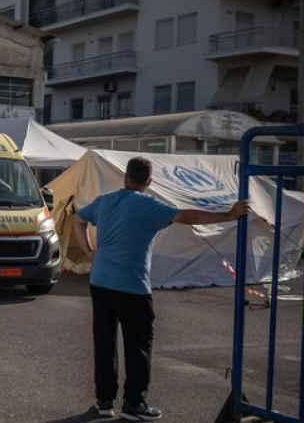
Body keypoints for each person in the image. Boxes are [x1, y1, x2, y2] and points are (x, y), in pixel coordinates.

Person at [72, 157, 251, 421]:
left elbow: (78, 219)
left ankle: (104, 400)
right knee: (138, 345)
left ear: (125, 177)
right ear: (149, 182)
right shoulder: (148, 205)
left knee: (105, 342)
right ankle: (133, 403)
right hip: (131, 286)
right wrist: (229, 215)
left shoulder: (105, 200)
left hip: (100, 281)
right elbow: (187, 216)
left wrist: (89, 251)